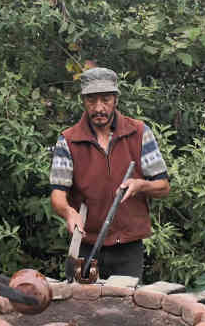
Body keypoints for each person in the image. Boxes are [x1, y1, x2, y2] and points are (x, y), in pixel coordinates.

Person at [49, 67, 169, 281]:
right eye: (91, 101)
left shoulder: (139, 132)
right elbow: (58, 195)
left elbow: (163, 186)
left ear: (115, 99)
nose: (99, 108)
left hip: (127, 248)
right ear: (83, 101)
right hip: (85, 246)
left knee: (126, 309)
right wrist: (68, 213)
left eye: (105, 100)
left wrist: (141, 185)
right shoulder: (68, 140)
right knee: (81, 310)